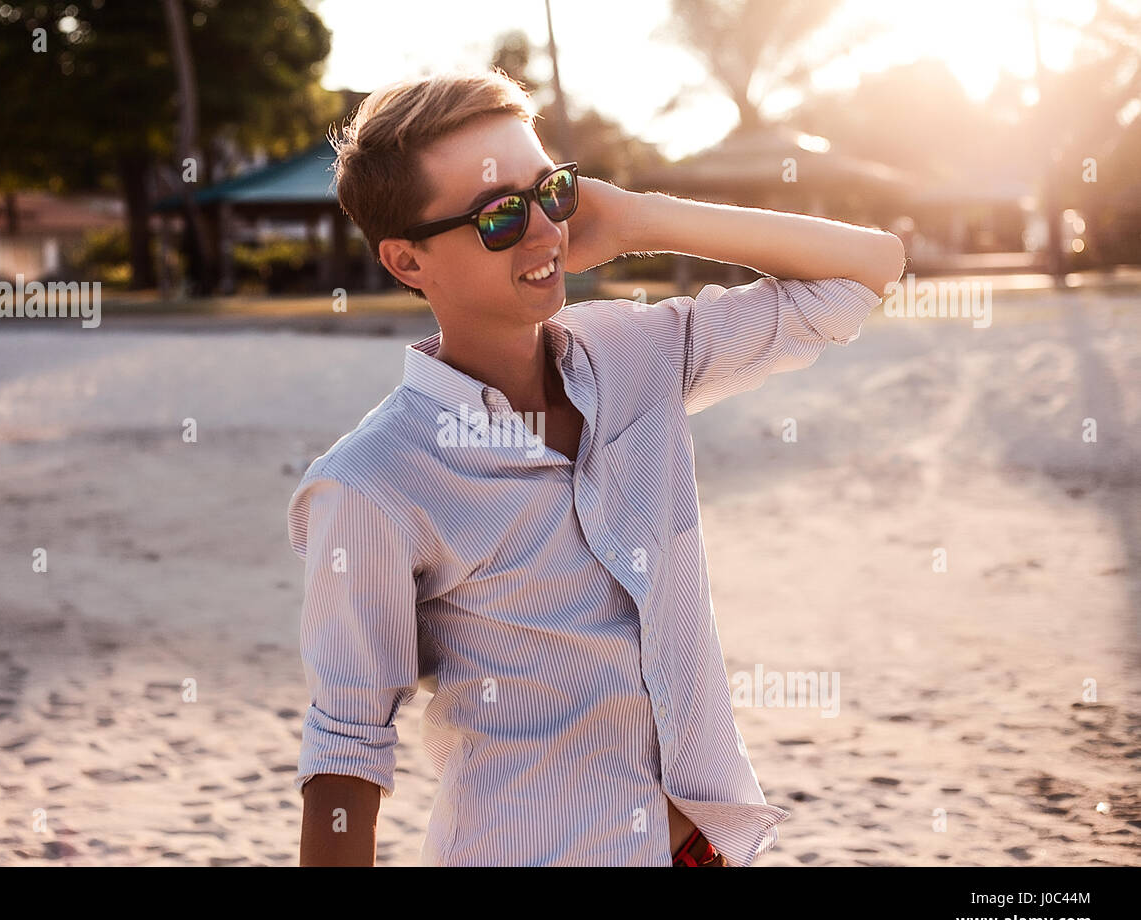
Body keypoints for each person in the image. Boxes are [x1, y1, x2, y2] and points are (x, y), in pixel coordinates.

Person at [288, 68, 905, 866]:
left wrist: (642, 217)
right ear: (408, 262)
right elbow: (345, 749)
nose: (545, 231)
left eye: (551, 192)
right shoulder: (374, 481)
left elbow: (865, 271)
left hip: (704, 851)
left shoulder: (638, 355)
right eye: (500, 216)